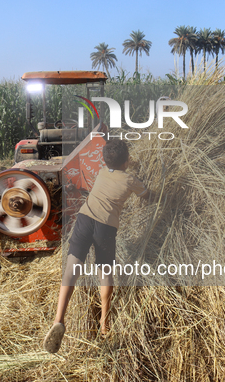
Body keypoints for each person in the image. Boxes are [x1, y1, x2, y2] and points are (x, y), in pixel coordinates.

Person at [43, 139, 151, 353]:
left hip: (85, 219)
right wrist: (158, 194)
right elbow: (147, 195)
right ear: (127, 160)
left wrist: (126, 162)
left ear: (105, 159)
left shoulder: (102, 172)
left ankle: (58, 319)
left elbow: (116, 164)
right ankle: (104, 323)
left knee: (71, 270)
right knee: (105, 273)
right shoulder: (130, 180)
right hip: (105, 228)